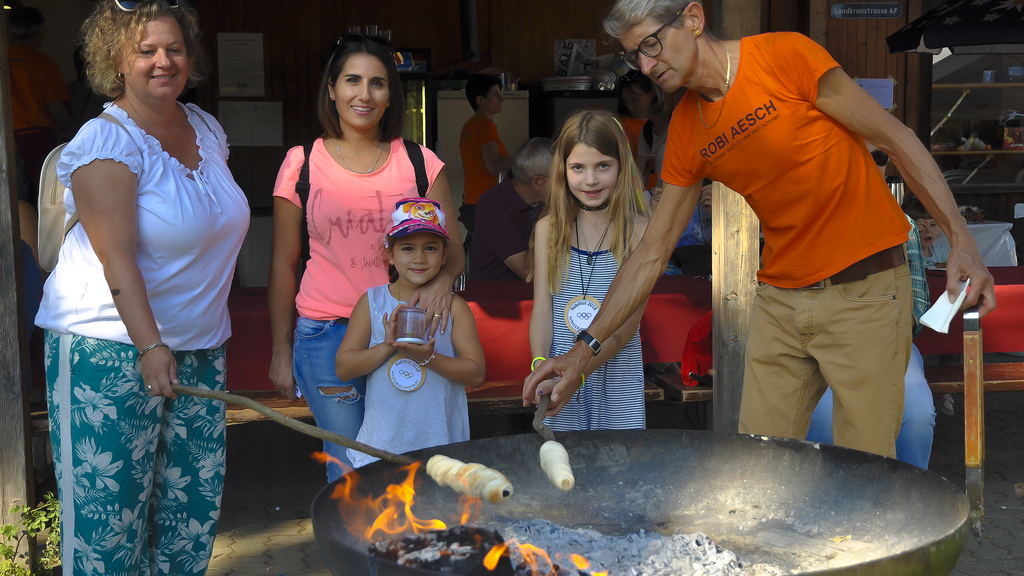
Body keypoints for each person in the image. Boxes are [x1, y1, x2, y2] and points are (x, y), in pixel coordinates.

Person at [526, 0, 994, 460]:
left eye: (651, 44)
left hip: (865, 290)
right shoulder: (687, 129)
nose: (646, 66)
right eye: (635, 56)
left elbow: (896, 138)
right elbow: (651, 252)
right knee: (755, 467)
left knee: (863, 468)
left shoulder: (784, 54)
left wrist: (962, 241)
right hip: (780, 302)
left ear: (692, 18)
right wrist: (580, 355)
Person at [34, 1, 249, 573]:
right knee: (109, 532)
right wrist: (151, 346)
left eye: (174, 48)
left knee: (189, 522)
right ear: (116, 60)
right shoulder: (106, 140)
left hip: (199, 348)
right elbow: (117, 255)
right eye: (146, 50)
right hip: (109, 349)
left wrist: (179, 345)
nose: (163, 61)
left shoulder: (206, 128)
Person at [268, 33, 465, 482]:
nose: (365, 94)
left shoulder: (419, 163)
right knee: (350, 470)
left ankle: (406, 549)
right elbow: (283, 264)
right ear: (332, 88)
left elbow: (452, 251)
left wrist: (439, 284)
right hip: (326, 336)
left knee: (405, 458)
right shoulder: (302, 164)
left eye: (378, 83)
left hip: (407, 330)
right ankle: (356, 551)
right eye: (352, 80)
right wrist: (281, 350)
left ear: (391, 94)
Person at [807, 150, 935, 469]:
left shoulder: (904, 225)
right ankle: (830, 502)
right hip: (825, 342)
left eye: (877, 156)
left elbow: (917, 305)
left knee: (917, 413)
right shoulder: (809, 218)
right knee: (822, 418)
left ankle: (904, 498)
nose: (867, 162)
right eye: (855, 153)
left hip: (888, 341)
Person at [336, 199, 485, 468]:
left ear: (444, 255)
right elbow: (344, 368)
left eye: (430, 248)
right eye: (407, 248)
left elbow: (476, 374)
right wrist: (389, 345)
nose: (419, 258)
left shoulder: (455, 307)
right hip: (383, 447)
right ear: (390, 254)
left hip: (441, 448)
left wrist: (429, 359)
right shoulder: (372, 303)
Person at [528, 110, 650, 431]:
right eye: (578, 168)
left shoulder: (639, 232)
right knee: (564, 469)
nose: (591, 180)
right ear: (562, 170)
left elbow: (628, 325)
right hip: (559, 374)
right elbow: (543, 310)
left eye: (603, 166)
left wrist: (579, 371)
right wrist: (541, 365)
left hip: (617, 372)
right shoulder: (548, 229)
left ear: (622, 167)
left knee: (620, 470)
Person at [8, 6, 73, 200]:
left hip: (8, 141)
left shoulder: (3, 59)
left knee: (15, 200)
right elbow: (55, 105)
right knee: (45, 196)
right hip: (39, 140)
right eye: (43, 30)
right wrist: (75, 131)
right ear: (36, 30)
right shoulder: (45, 63)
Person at [469, 137, 553, 281]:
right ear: (537, 182)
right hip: (499, 300)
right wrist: (558, 212)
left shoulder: (542, 201)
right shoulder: (493, 204)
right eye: (560, 177)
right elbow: (528, 272)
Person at [459, 74, 513, 236]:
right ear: (481, 100)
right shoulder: (484, 125)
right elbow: (493, 165)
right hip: (487, 203)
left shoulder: (469, 125)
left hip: (472, 202)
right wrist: (527, 160)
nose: (502, 99)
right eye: (496, 94)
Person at [906, 202, 949, 268]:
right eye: (922, 225)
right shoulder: (905, 254)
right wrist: (912, 236)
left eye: (933, 224)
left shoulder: (941, 253)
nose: (928, 230)